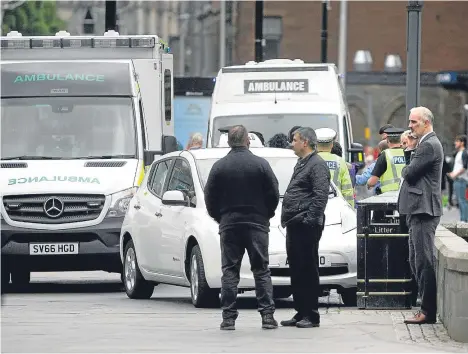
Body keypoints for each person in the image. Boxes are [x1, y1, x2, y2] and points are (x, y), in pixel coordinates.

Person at [204, 125, 280, 331]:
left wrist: (220, 217)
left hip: (229, 224)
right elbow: (274, 193)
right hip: (257, 224)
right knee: (261, 270)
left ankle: (228, 318)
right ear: (247, 140)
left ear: (229, 142)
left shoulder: (219, 167)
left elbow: (209, 198)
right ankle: (267, 316)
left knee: (229, 271)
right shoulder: (261, 165)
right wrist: (266, 214)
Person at [280, 127, 330, 328]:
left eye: (294, 139)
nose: (291, 143)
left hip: (305, 224)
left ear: (305, 142)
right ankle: (300, 311)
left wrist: (310, 220)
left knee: (307, 269)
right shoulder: (302, 163)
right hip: (295, 223)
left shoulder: (317, 164)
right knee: (296, 268)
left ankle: (311, 313)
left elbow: (320, 196)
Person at [398, 106, 443, 325]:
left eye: (414, 122)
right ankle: (424, 309)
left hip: (424, 210)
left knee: (423, 261)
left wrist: (409, 151)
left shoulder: (428, 146)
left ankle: (427, 311)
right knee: (416, 260)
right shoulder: (425, 144)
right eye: (410, 121)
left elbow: (409, 172)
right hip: (418, 210)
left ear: (426, 122)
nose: (410, 126)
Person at [315, 128, 354, 207]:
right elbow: (347, 190)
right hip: (336, 205)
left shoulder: (309, 160)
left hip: (314, 205)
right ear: (332, 145)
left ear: (316, 144)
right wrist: (350, 208)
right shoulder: (340, 161)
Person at [367, 127, 406, 193]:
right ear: (401, 140)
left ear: (387, 140)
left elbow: (372, 182)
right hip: (405, 195)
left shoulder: (385, 155)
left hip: (388, 196)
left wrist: (368, 184)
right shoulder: (407, 153)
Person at [447, 134, 468, 222]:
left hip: (461, 180)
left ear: (462, 142)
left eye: (457, 141)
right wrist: (452, 173)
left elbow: (464, 167)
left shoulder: (464, 153)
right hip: (457, 180)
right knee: (460, 201)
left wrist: (455, 175)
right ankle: (462, 219)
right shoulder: (458, 153)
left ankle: (464, 220)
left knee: (462, 200)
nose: (455, 143)